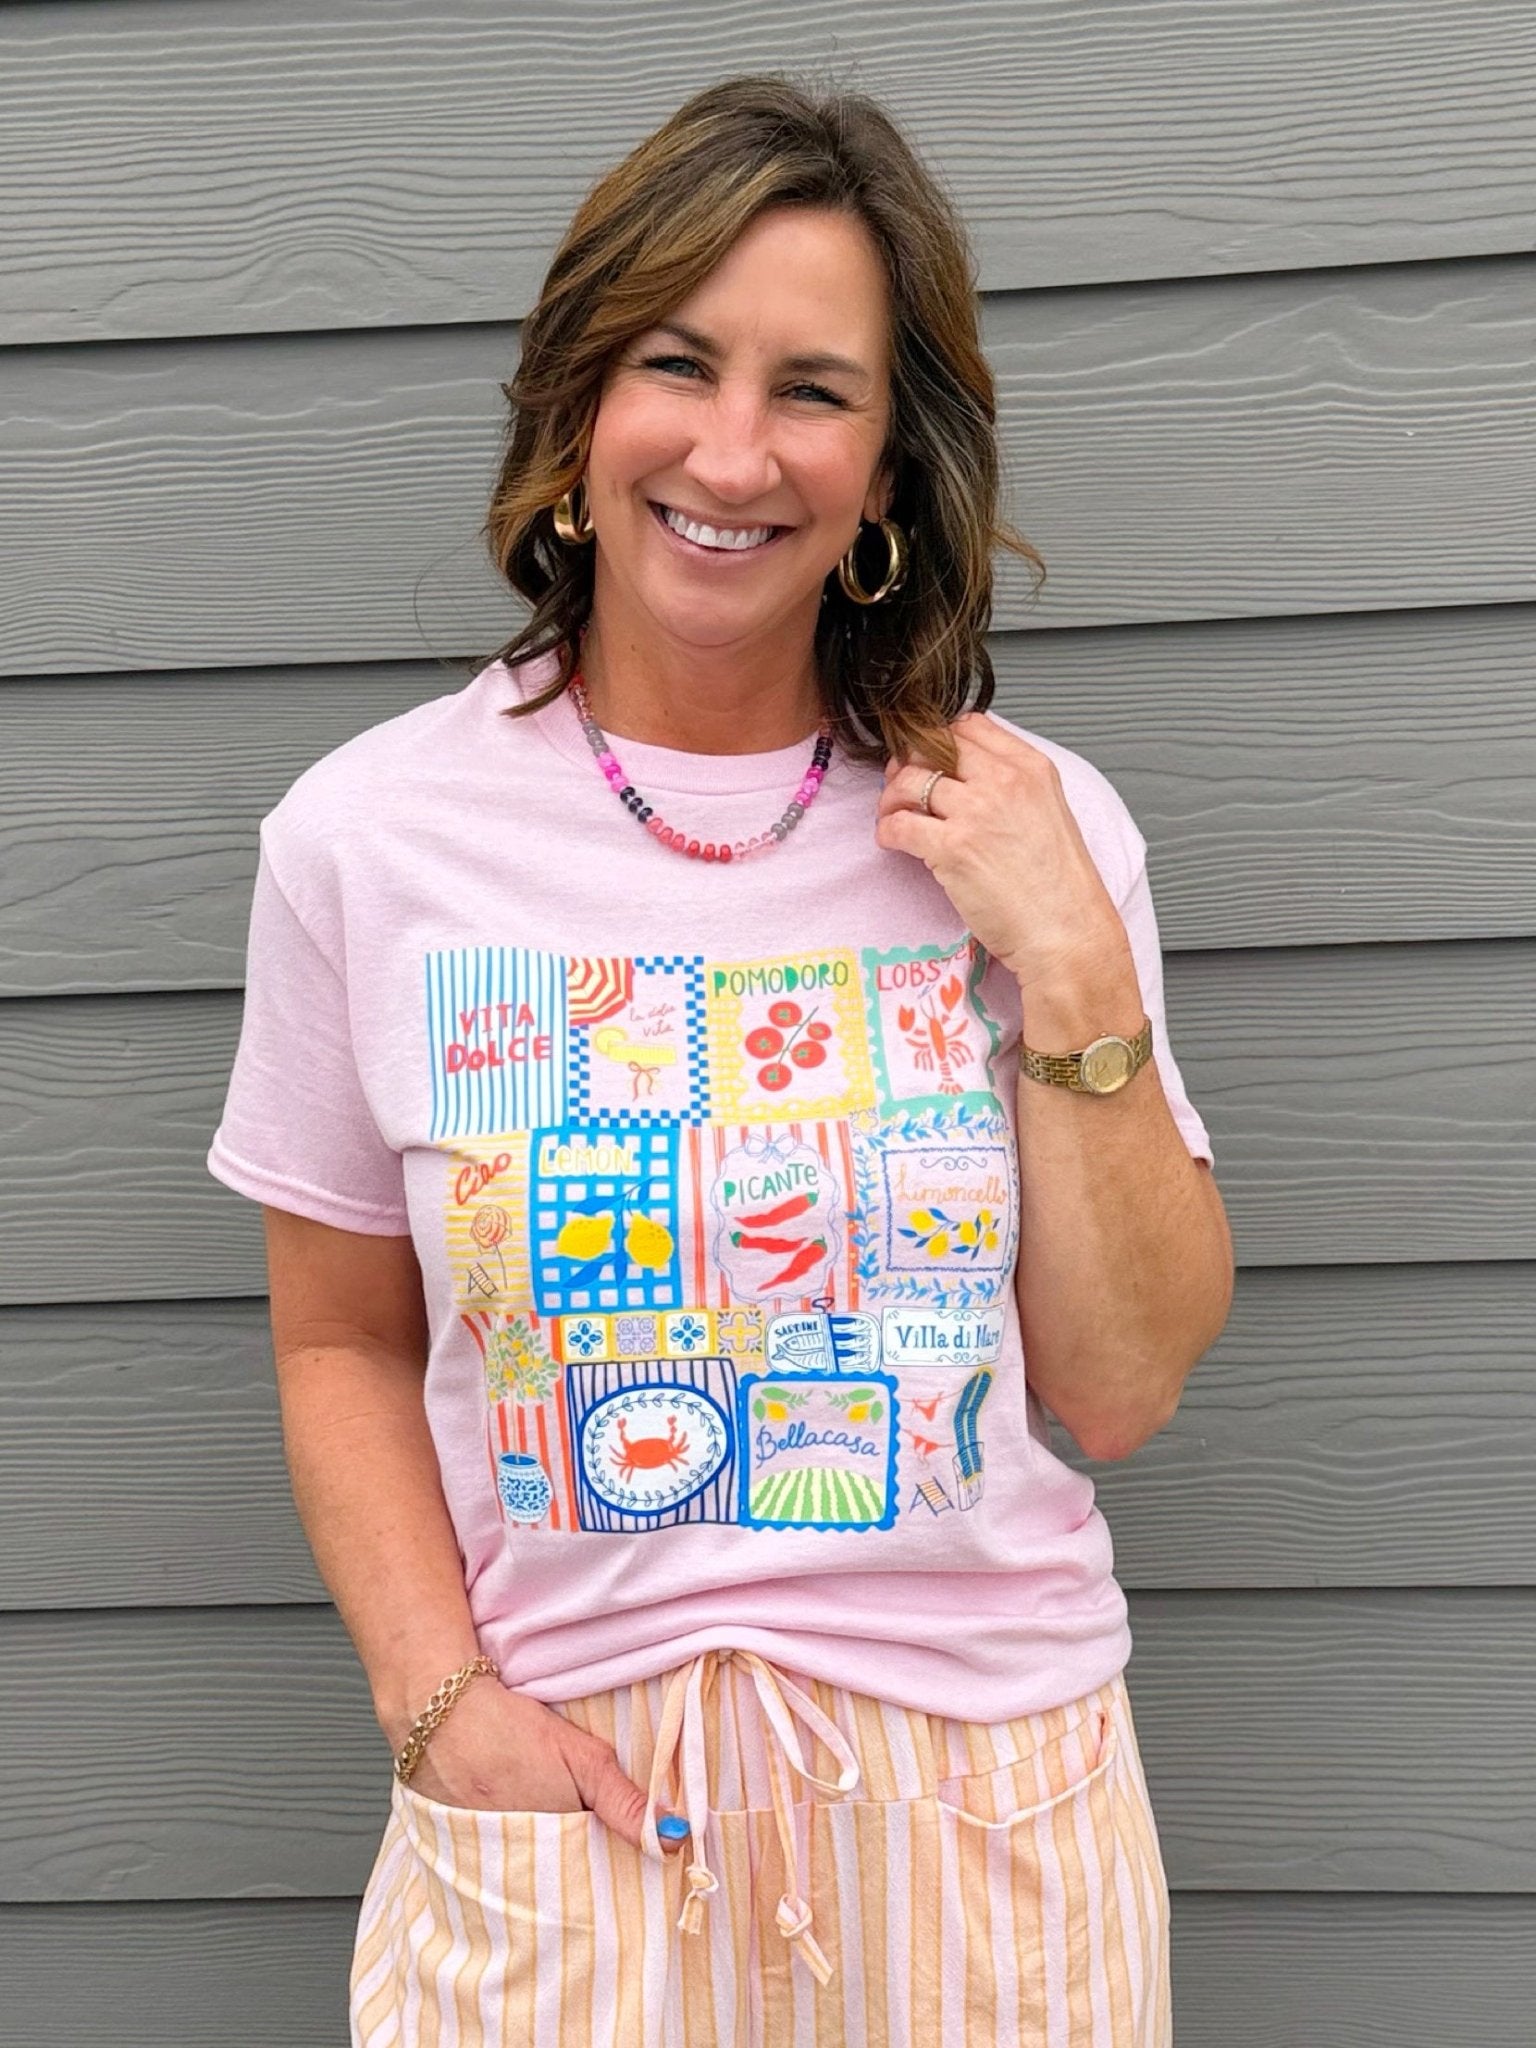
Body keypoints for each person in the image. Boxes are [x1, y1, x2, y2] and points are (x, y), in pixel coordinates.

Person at [207, 71, 1233, 2048]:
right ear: (579, 403)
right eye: (678, 363)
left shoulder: (1032, 829)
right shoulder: (369, 839)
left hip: (988, 1828)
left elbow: (1120, 1387)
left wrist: (1073, 961)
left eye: (814, 390)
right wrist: (439, 1706)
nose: (734, 452)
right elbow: (337, 1336)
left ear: (889, 466)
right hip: (565, 1822)